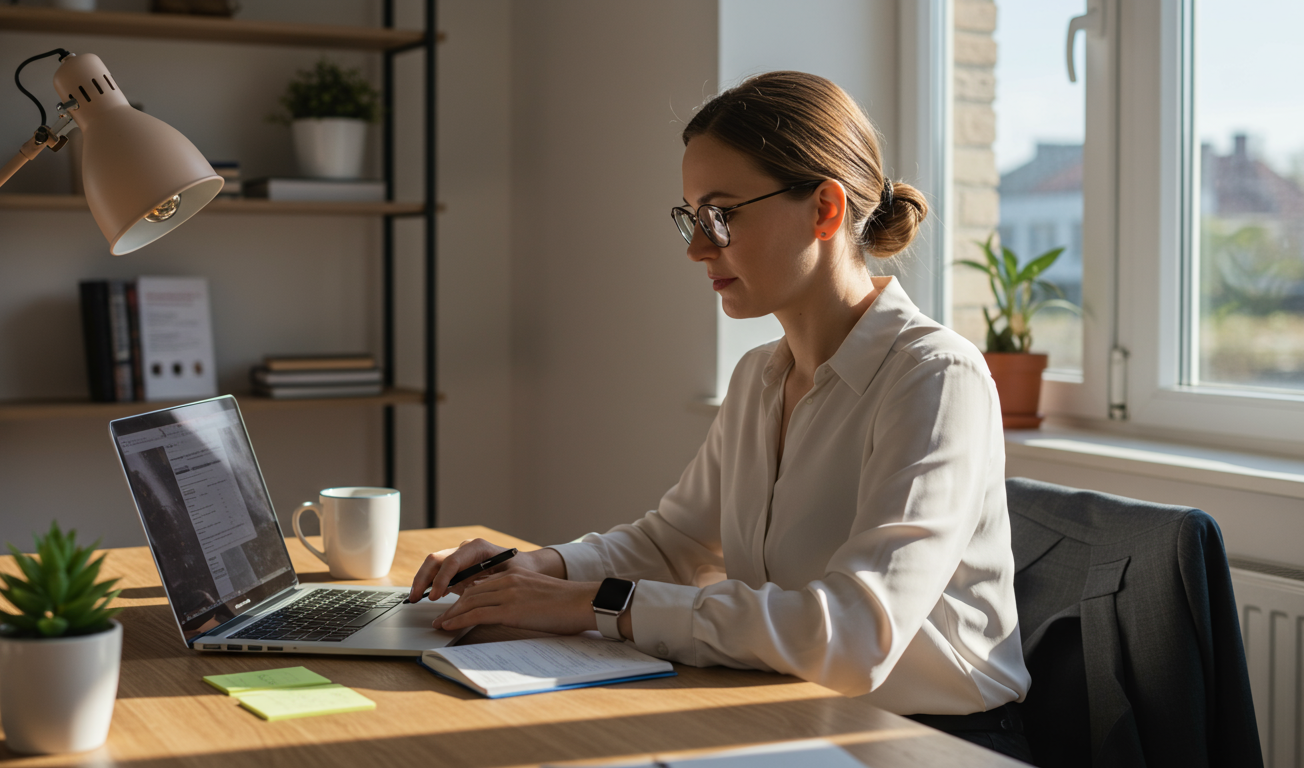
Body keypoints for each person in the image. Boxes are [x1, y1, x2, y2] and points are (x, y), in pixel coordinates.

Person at [409, 71, 1033, 761]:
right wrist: (535, 571)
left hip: (934, 742)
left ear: (825, 209)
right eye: (691, 217)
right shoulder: (759, 377)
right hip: (793, 711)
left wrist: (599, 604)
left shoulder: (935, 379)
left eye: (722, 215)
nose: (697, 248)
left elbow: (855, 637)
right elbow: (674, 544)